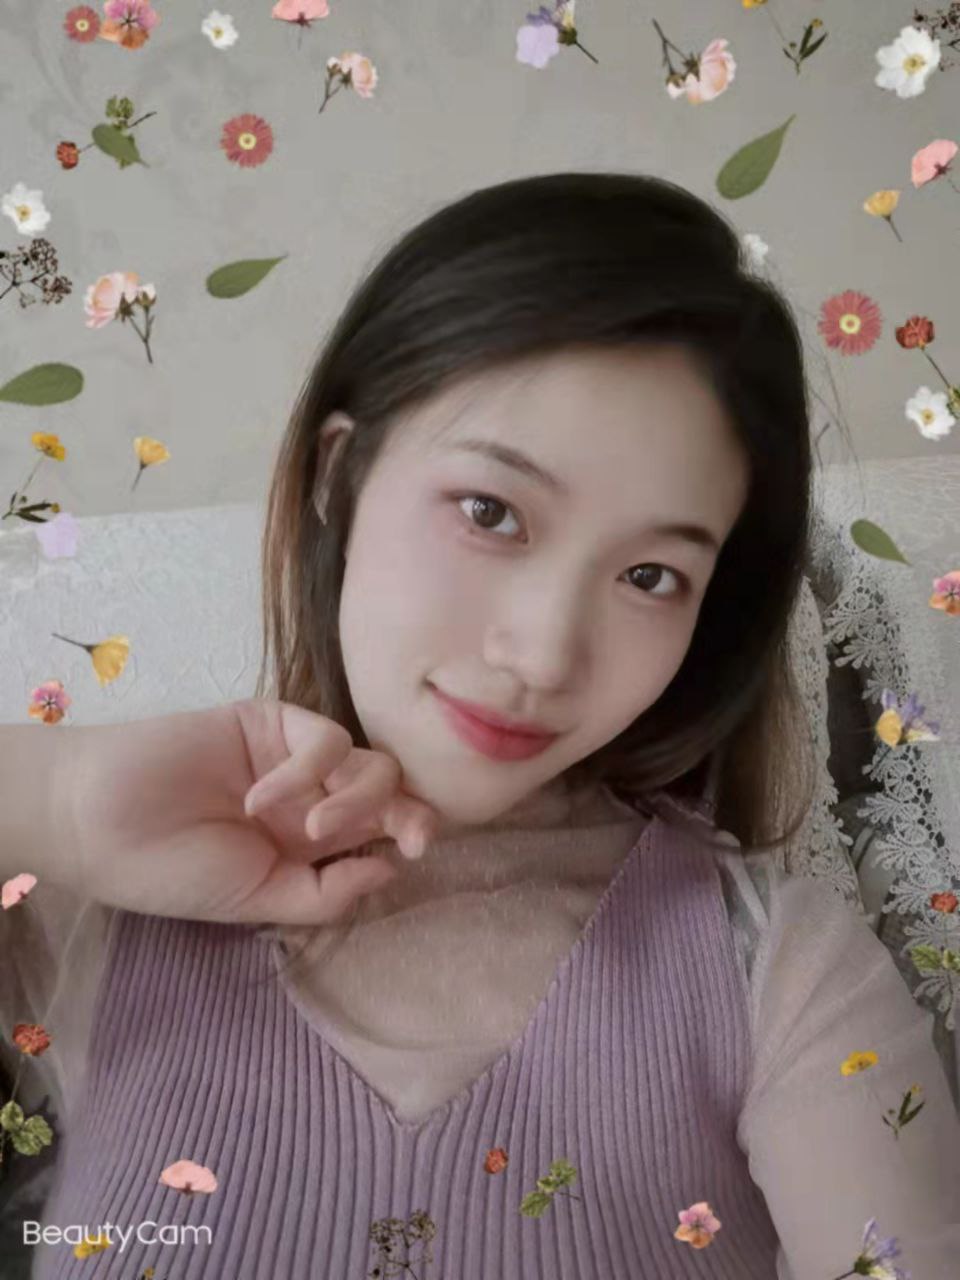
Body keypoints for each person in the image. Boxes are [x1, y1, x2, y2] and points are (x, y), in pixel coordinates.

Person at [1, 171, 958, 1280]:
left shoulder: (783, 973)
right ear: (337, 473)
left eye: (651, 575)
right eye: (491, 511)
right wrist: (59, 798)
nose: (545, 655)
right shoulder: (80, 901)